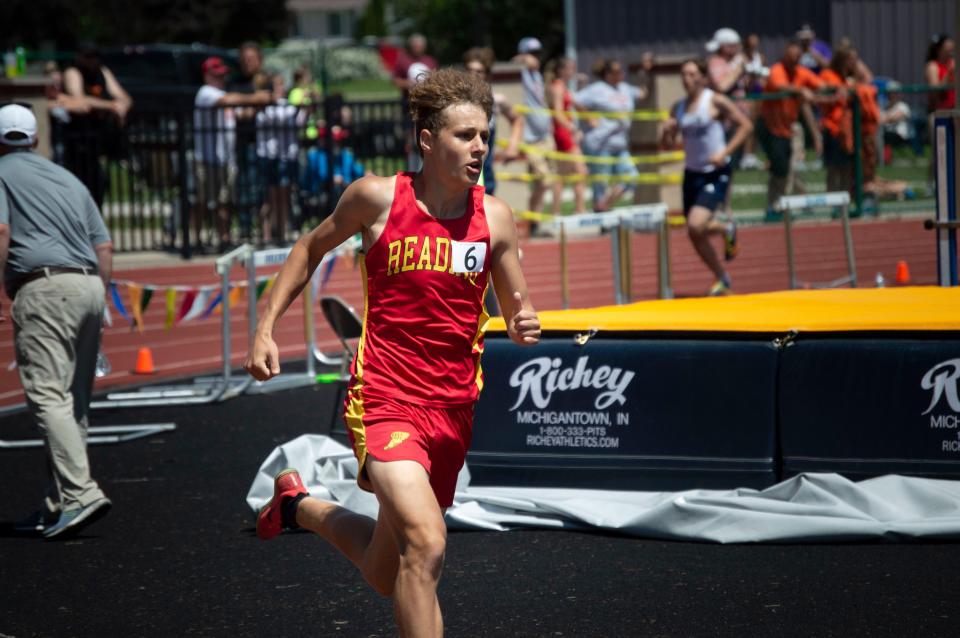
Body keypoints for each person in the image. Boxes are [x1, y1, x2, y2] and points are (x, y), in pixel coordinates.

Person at [245, 68, 540, 637]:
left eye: (485, 136)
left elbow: (515, 309)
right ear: (428, 140)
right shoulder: (377, 198)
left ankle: (296, 506)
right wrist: (265, 328)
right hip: (385, 396)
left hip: (453, 408)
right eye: (465, 135)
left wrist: (526, 324)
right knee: (427, 544)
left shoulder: (495, 218)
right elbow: (309, 248)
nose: (480, 147)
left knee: (389, 571)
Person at [0, 104, 114, 538]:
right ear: (34, 137)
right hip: (89, 286)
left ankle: (80, 493)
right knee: (73, 400)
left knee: (48, 396)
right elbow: (103, 247)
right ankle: (59, 501)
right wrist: (101, 304)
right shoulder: (67, 177)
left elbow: (1, 232)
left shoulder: (2, 172)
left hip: (43, 285)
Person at [662, 59, 752, 296]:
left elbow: (746, 126)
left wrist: (725, 152)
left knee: (696, 223)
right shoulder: (678, 107)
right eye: (683, 74)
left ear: (702, 77)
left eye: (692, 74)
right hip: (692, 173)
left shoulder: (714, 100)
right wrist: (668, 131)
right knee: (694, 233)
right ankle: (721, 276)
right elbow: (667, 145)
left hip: (715, 172)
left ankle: (725, 227)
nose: (686, 79)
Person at [193, 56, 271, 252]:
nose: (220, 79)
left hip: (226, 159)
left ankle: (224, 238)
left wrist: (260, 104)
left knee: (224, 201)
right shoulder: (206, 92)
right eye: (216, 75)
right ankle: (194, 239)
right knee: (203, 201)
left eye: (222, 76)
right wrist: (255, 97)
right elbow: (226, 101)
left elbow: (241, 113)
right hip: (207, 158)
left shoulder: (223, 93)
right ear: (206, 75)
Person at [758, 40, 834, 219]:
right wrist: (802, 91)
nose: (794, 61)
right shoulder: (777, 70)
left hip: (789, 128)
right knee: (780, 169)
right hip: (771, 128)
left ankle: (781, 204)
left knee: (787, 169)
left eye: (798, 58)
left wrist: (838, 86)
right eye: (791, 57)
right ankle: (775, 205)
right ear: (785, 55)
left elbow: (822, 85)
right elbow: (780, 86)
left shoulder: (801, 72)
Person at [62, 42, 133, 208]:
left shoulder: (103, 71)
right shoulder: (73, 72)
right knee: (81, 186)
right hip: (78, 141)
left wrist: (123, 105)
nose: (92, 61)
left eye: (95, 56)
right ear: (79, 57)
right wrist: (112, 106)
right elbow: (79, 100)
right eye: (88, 57)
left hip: (98, 139)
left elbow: (123, 96)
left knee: (99, 184)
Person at [573, 58, 647, 211]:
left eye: (622, 71)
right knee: (601, 184)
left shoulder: (625, 88)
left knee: (631, 177)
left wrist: (645, 71)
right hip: (600, 144)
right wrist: (589, 118)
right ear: (607, 74)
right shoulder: (597, 89)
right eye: (617, 71)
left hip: (620, 144)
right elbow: (574, 99)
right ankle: (601, 219)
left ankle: (603, 206)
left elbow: (642, 93)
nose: (622, 74)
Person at [462, 46, 523, 197]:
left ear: (487, 75)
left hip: (485, 173)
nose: (473, 75)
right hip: (462, 173)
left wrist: (513, 146)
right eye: (469, 70)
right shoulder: (458, 102)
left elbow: (517, 119)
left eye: (479, 71)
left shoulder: (496, 100)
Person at [229, 41, 274, 244]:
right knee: (244, 184)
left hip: (266, 143)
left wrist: (249, 104)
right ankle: (246, 227)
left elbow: (269, 98)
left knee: (264, 186)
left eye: (252, 58)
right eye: (245, 59)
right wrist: (255, 102)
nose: (248, 62)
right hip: (243, 142)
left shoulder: (266, 80)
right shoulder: (235, 81)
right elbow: (233, 106)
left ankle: (266, 228)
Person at [514, 37, 556, 214]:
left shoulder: (537, 75)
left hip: (545, 136)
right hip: (530, 140)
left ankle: (536, 221)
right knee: (544, 181)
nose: (536, 57)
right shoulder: (520, 72)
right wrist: (523, 59)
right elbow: (511, 63)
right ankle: (532, 220)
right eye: (532, 53)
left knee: (548, 183)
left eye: (538, 53)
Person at [546, 56, 587, 214]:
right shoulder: (557, 87)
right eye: (570, 69)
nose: (572, 72)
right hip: (563, 133)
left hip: (563, 132)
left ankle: (556, 212)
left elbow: (574, 105)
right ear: (561, 70)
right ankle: (580, 209)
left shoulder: (562, 86)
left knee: (561, 175)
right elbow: (557, 113)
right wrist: (572, 127)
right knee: (580, 170)